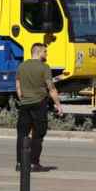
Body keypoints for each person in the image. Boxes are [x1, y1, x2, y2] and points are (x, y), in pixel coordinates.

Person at [15, 43, 63, 172]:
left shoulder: (22, 66)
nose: (46, 54)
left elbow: (18, 86)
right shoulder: (44, 67)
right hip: (39, 104)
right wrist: (58, 105)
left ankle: (20, 163)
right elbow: (51, 88)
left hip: (24, 104)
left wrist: (23, 99)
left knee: (22, 134)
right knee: (38, 134)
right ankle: (33, 163)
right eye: (45, 52)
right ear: (38, 52)